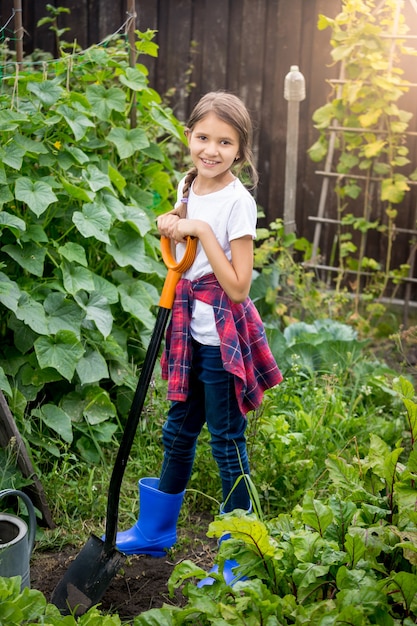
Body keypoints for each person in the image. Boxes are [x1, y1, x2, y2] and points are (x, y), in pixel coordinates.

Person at [115, 91, 283, 563]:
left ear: (240, 150)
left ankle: (243, 551)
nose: (211, 150)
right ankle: (155, 530)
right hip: (188, 334)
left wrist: (201, 232)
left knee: (227, 443)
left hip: (222, 342)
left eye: (225, 142)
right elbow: (183, 257)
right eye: (203, 137)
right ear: (188, 135)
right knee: (177, 433)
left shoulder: (238, 202)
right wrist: (172, 222)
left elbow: (237, 287)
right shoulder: (187, 184)